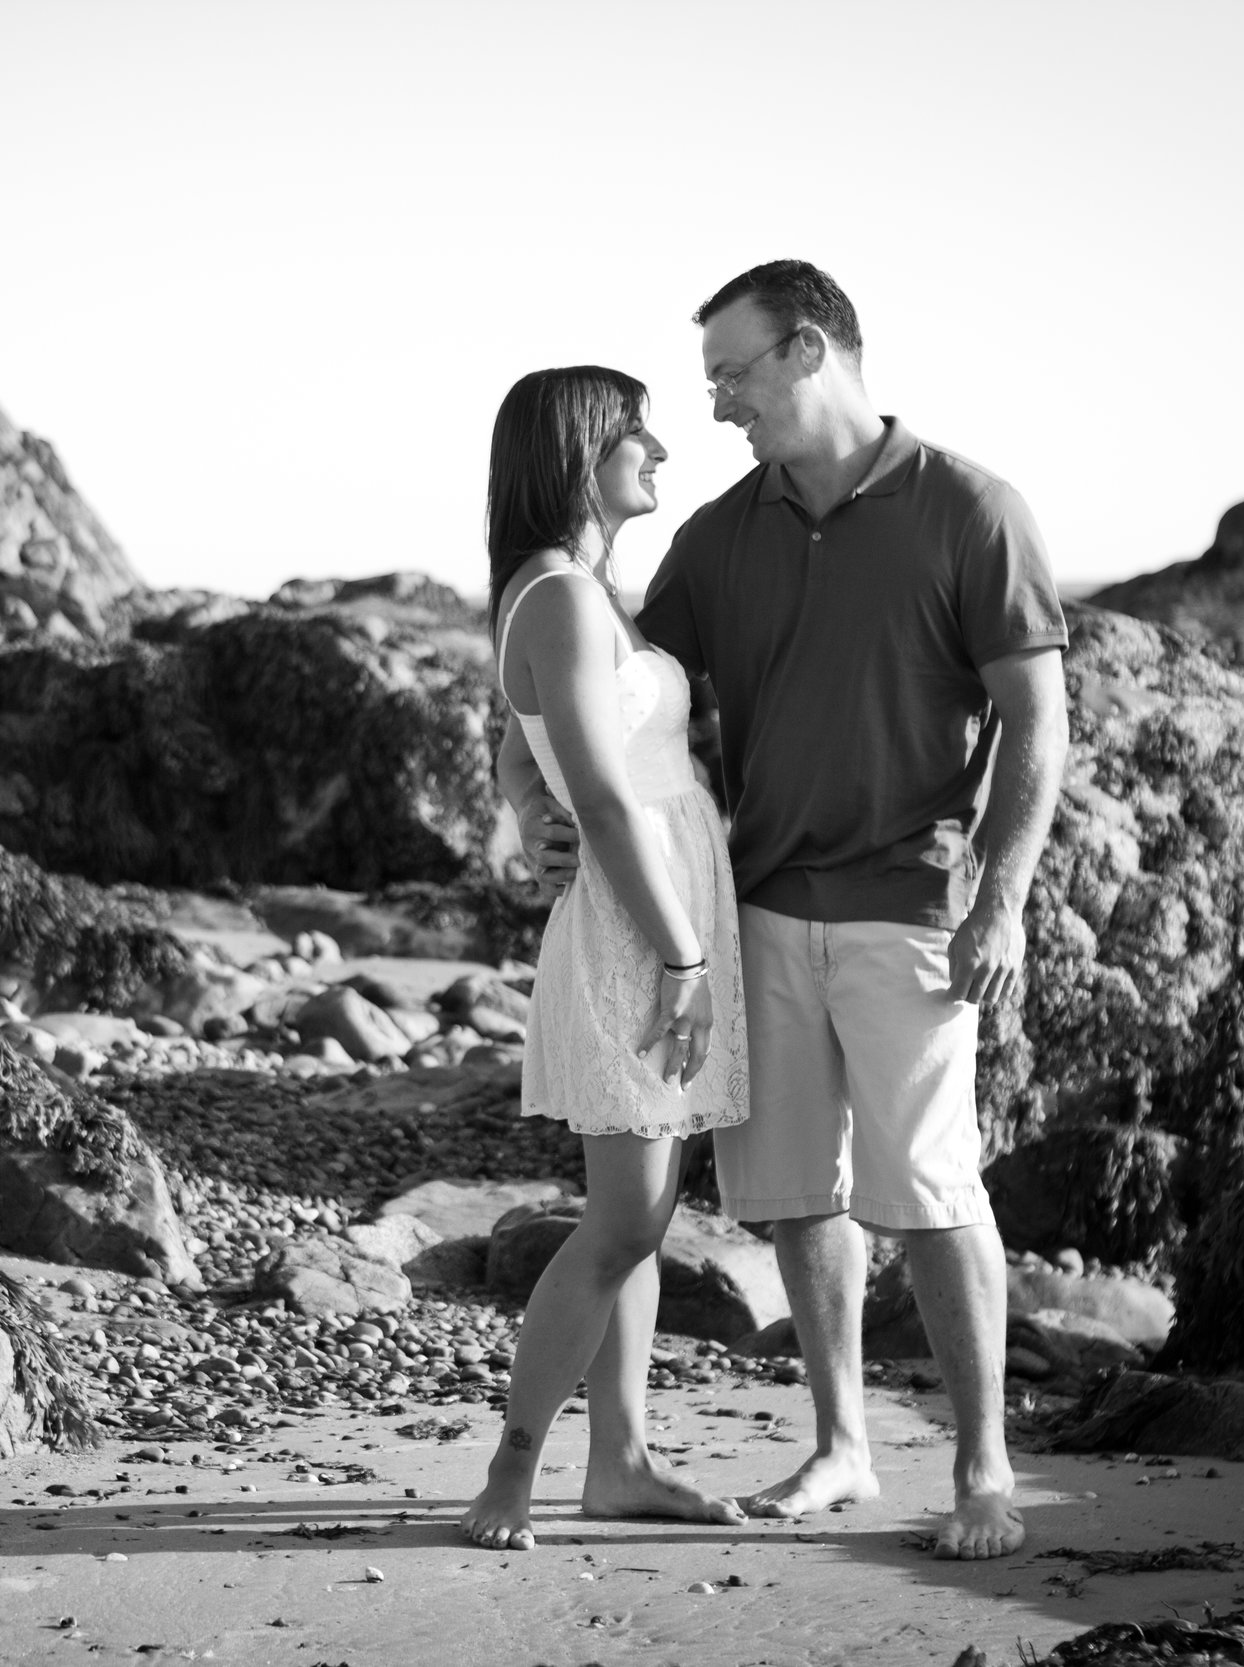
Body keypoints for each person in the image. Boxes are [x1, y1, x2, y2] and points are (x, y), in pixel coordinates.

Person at [508, 263, 1069, 1561]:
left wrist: (1008, 897)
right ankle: (842, 1443)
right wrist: (527, 803)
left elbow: (1038, 722)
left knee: (929, 1187)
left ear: (808, 350)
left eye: (733, 375)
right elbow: (607, 679)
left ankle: (985, 1470)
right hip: (758, 904)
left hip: (913, 906)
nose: (716, 409)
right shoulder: (724, 532)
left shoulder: (970, 510)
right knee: (800, 1197)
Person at [458, 366, 753, 1552]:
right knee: (624, 1217)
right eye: (636, 430)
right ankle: (510, 1470)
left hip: (666, 907)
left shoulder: (579, 592)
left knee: (642, 1209)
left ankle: (619, 1458)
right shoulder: (565, 600)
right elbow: (609, 798)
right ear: (578, 449)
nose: (660, 451)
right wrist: (682, 955)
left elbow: (538, 754)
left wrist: (517, 802)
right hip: (642, 924)